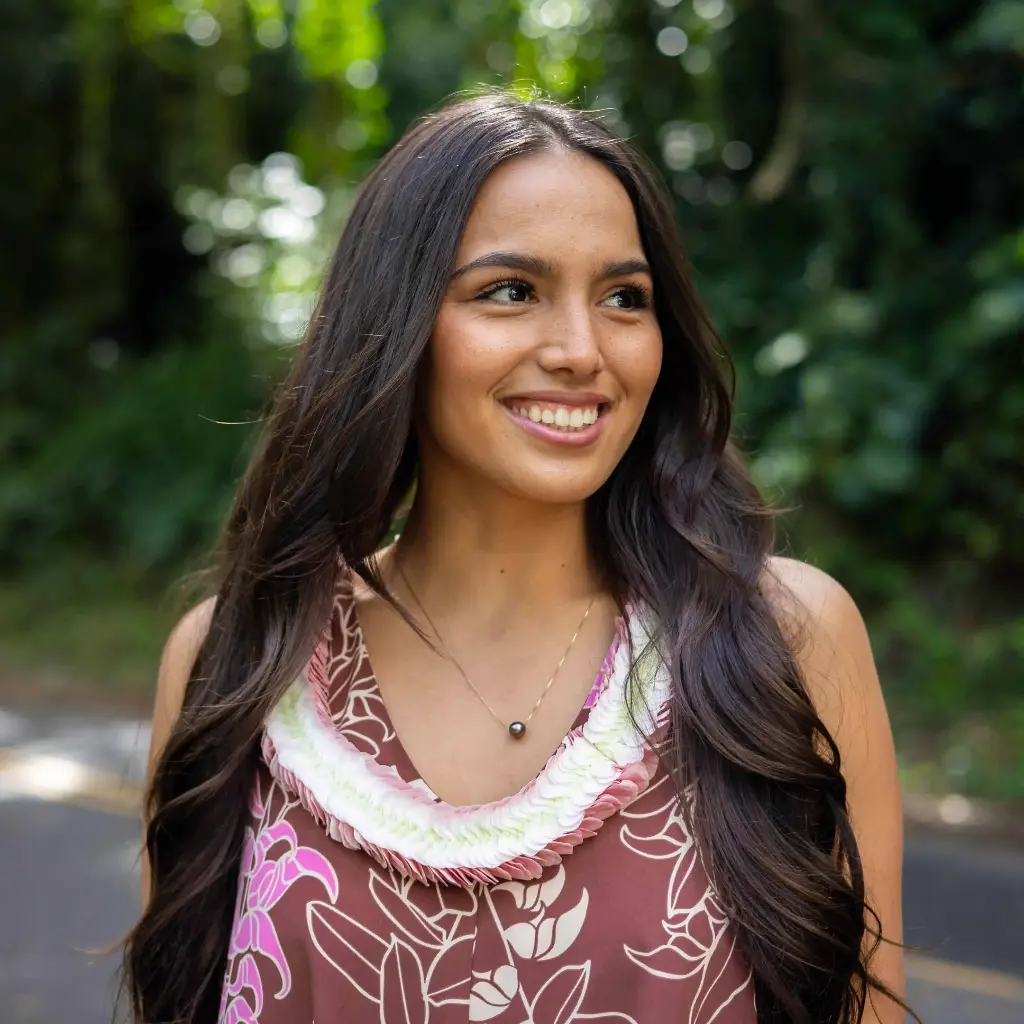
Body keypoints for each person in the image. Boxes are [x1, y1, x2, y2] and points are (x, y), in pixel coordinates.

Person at [123, 92, 914, 1024]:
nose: (582, 350)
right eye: (511, 291)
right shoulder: (242, 659)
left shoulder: (782, 641)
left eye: (625, 297)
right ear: (396, 325)